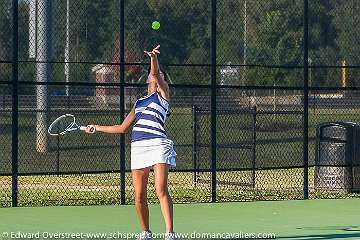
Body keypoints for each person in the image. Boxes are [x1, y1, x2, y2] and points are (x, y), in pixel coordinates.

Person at [85, 45, 176, 240]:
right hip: (139, 147)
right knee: (139, 195)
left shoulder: (163, 96)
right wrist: (96, 127)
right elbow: (121, 128)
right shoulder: (138, 103)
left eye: (157, 76)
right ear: (146, 83)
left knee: (160, 189)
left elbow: (157, 74)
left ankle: (170, 233)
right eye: (152, 76)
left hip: (158, 144)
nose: (154, 76)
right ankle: (145, 232)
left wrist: (153, 59)